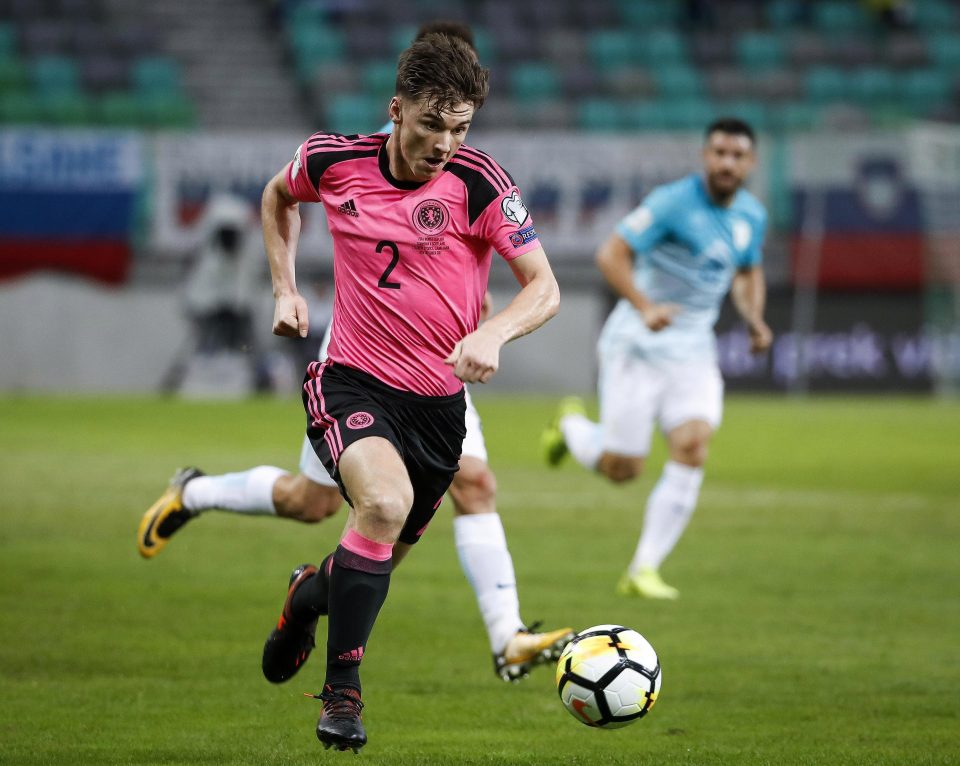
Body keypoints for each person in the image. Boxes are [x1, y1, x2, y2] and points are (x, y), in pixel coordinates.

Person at [149, 32, 560, 752]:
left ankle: (303, 596)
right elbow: (279, 196)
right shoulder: (334, 160)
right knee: (382, 504)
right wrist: (283, 286)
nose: (444, 144)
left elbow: (544, 288)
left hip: (437, 406)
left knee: (345, 537)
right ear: (396, 110)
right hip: (352, 380)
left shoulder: (480, 182)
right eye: (432, 125)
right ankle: (343, 691)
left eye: (460, 129)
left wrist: (494, 334)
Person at [541, 117, 772, 601]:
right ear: (705, 156)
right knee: (622, 469)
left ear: (750, 163)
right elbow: (611, 254)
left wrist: (754, 318)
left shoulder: (751, 215)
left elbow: (748, 271)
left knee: (693, 444)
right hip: (638, 345)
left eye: (737, 155)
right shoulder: (672, 202)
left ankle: (643, 569)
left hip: (692, 349)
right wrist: (646, 307)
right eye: (719, 153)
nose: (727, 162)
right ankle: (570, 429)